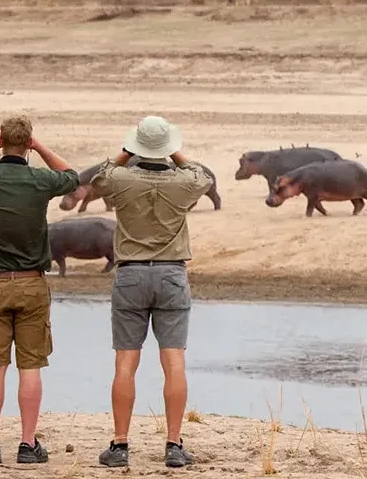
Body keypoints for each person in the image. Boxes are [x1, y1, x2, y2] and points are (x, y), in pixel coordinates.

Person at [0, 116, 80, 465]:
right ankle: (27, 443)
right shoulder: (39, 180)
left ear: (1, 141)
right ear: (28, 144)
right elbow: (71, 177)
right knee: (30, 366)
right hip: (31, 283)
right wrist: (40, 148)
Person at [90, 116, 213, 469]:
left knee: (125, 363)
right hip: (171, 273)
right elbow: (203, 177)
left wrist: (125, 152)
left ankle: (120, 444)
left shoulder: (122, 179)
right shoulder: (183, 182)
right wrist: (177, 154)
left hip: (130, 274)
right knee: (173, 362)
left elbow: (99, 176)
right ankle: (173, 444)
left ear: (136, 146)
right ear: (168, 148)